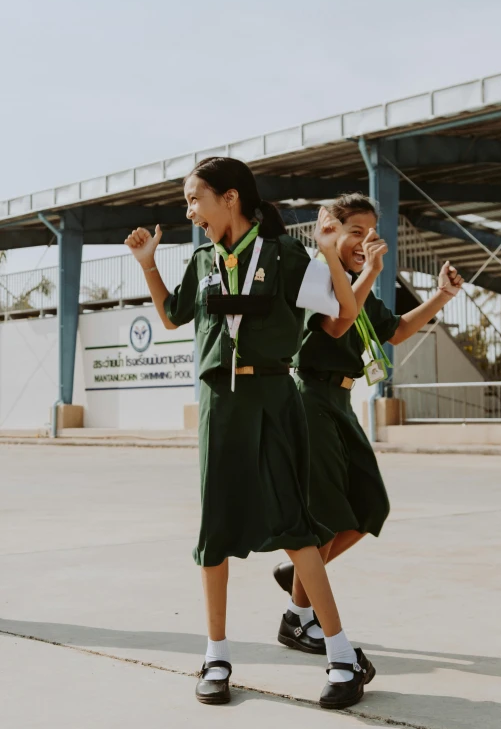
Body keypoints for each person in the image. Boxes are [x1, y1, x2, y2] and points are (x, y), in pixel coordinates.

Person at [125, 159, 375, 709]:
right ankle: (216, 656)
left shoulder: (285, 255)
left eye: (196, 200)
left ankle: (340, 656)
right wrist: (147, 265)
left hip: (274, 399)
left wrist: (330, 254)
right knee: (215, 529)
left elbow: (342, 316)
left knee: (297, 526)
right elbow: (172, 316)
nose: (191, 213)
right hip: (220, 403)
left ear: (230, 197)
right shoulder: (200, 258)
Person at [273, 193, 464, 654]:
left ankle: (301, 572)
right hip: (311, 397)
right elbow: (340, 323)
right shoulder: (316, 276)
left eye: (370, 234)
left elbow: (395, 329)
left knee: (369, 507)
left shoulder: (358, 281)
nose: (364, 242)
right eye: (355, 231)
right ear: (330, 227)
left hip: (341, 401)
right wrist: (373, 274)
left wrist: (442, 295)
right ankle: (298, 619)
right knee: (326, 517)